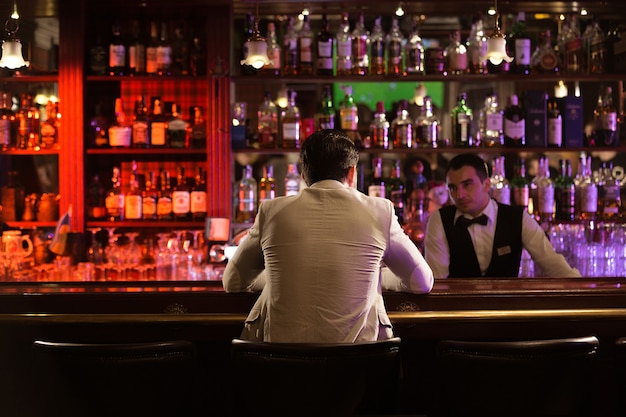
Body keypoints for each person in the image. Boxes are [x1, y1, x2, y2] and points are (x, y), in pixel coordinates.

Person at [223, 129, 434, 343]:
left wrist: (276, 278)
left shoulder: (271, 211)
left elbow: (233, 281)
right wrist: (380, 277)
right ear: (352, 173)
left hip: (283, 366)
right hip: (360, 366)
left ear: (304, 175)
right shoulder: (381, 211)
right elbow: (421, 281)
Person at [424, 153, 580, 278]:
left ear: (486, 184)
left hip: (506, 312)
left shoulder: (518, 218)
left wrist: (582, 291)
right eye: (453, 188)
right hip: (458, 312)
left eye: (467, 185)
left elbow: (552, 263)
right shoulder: (439, 220)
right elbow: (437, 280)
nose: (460, 194)